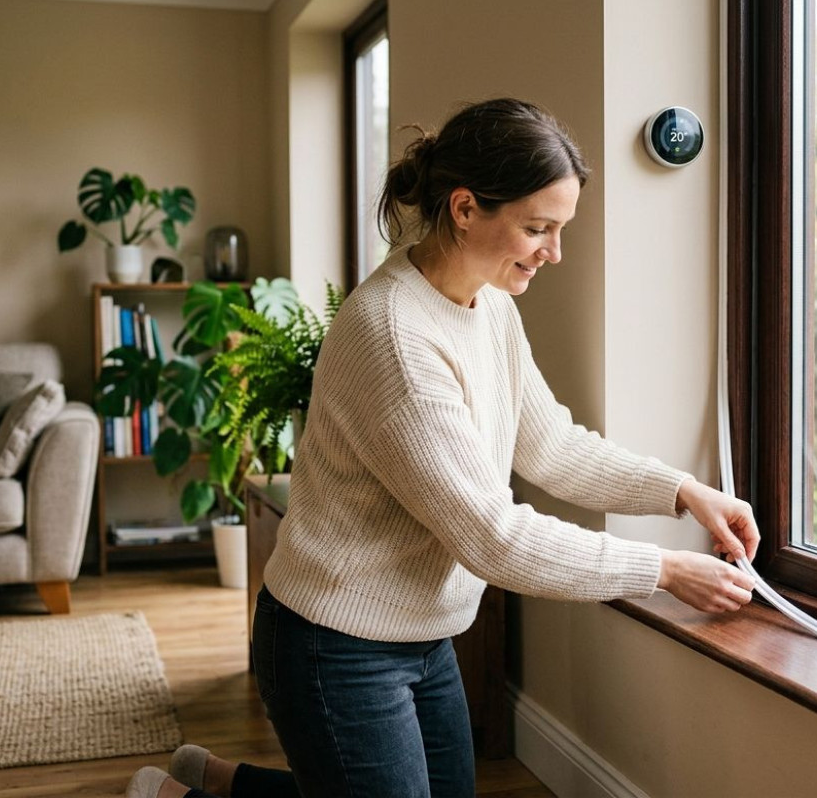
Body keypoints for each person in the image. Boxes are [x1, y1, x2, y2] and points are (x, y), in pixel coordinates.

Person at [125, 97, 759, 798]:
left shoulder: (488, 306)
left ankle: (207, 780)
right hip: (334, 642)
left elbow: (550, 448)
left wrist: (683, 491)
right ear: (464, 208)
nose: (554, 252)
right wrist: (664, 570)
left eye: (559, 228)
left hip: (425, 637)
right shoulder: (394, 338)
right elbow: (495, 538)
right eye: (537, 228)